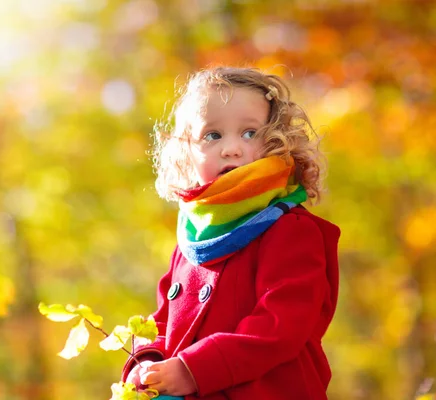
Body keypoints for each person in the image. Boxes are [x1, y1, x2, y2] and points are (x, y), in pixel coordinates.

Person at [121, 66, 340, 400]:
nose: (232, 149)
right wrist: (147, 361)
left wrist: (194, 370)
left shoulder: (290, 229)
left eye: (250, 133)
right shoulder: (193, 236)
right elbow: (162, 319)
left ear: (275, 142)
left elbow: (281, 325)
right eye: (213, 135)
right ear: (186, 152)